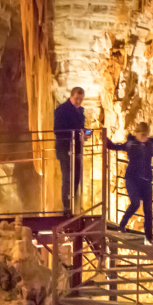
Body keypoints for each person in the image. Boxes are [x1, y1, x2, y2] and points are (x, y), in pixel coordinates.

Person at [105, 122, 153, 244]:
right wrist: (105, 140)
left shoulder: (150, 146)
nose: (144, 138)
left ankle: (148, 237)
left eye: (145, 135)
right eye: (142, 135)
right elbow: (116, 147)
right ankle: (122, 224)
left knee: (148, 209)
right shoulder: (130, 144)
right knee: (135, 203)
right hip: (132, 179)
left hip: (146, 181)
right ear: (137, 134)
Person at [54, 87, 87, 215]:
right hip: (65, 148)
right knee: (68, 177)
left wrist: (84, 133)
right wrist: (75, 133)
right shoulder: (61, 110)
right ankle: (66, 207)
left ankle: (73, 205)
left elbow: (81, 127)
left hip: (76, 148)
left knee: (76, 178)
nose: (79, 102)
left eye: (81, 100)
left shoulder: (81, 111)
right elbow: (57, 130)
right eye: (76, 99)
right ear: (71, 96)